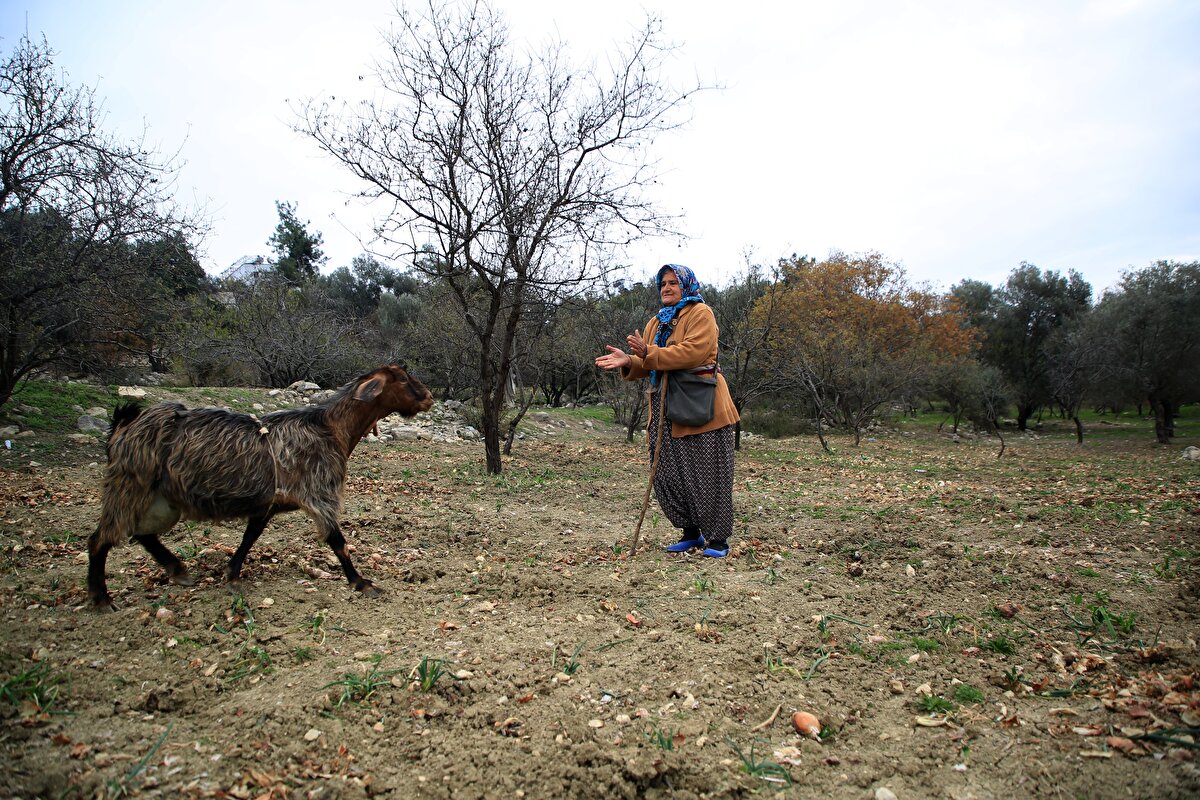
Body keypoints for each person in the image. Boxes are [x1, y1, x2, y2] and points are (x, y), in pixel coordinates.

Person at [595, 264, 740, 557]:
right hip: (664, 409)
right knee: (668, 473)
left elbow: (693, 352)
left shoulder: (701, 314)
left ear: (686, 285)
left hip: (703, 406)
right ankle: (691, 533)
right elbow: (649, 363)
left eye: (673, 282)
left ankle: (717, 540)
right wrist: (629, 362)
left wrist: (649, 354)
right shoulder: (656, 322)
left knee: (707, 475)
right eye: (663, 283)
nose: (667, 288)